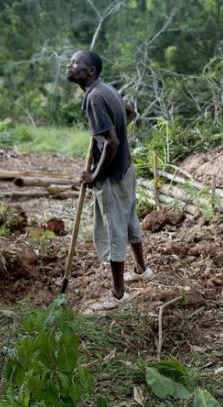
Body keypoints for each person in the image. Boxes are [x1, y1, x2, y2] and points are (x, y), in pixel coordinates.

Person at [66, 50, 154, 307]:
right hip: (126, 169)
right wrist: (107, 133)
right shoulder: (108, 90)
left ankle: (119, 294)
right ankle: (142, 270)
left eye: (75, 63)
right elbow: (130, 113)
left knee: (114, 229)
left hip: (113, 175)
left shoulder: (94, 97)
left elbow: (112, 143)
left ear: (90, 71)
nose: (70, 66)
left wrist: (95, 175)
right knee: (129, 220)